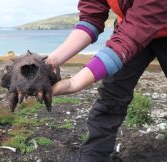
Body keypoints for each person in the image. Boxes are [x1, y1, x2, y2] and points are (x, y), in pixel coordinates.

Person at [46, 0, 167, 161]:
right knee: (112, 93)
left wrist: (74, 83)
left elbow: (137, 28)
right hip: (130, 26)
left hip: (146, 23)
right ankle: (92, 156)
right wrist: (50, 62)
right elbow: (91, 17)